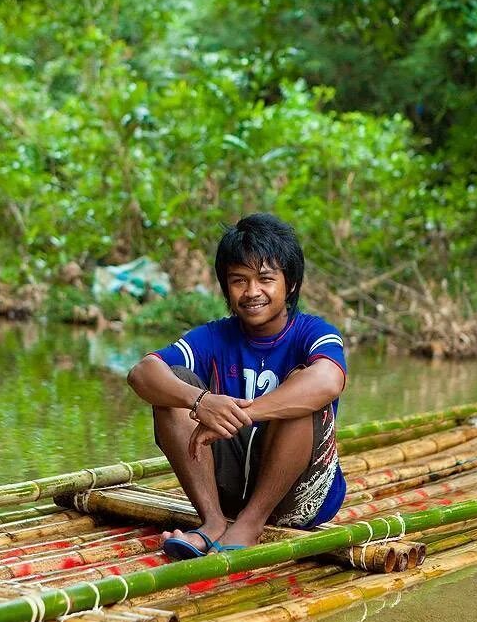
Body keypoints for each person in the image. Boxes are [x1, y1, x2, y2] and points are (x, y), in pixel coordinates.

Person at [126, 213, 347, 559]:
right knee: (174, 386)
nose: (252, 292)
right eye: (239, 280)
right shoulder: (215, 336)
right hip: (229, 490)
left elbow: (329, 380)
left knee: (301, 390)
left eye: (265, 279)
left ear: (289, 284)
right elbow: (142, 373)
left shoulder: (313, 332)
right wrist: (200, 401)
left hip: (300, 496)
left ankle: (250, 524)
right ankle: (213, 521)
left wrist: (244, 413)